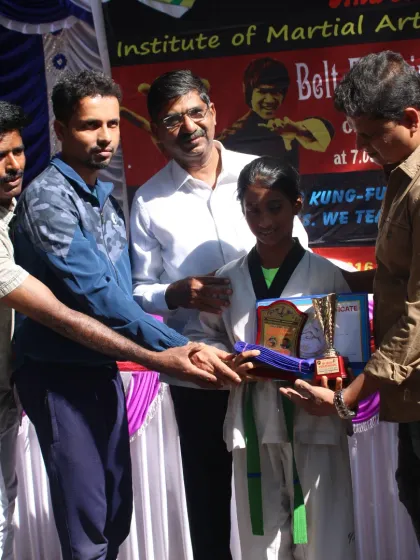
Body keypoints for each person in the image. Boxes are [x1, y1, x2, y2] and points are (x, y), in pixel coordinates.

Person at [10, 73, 242, 560]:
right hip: (58, 374)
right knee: (89, 529)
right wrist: (179, 348)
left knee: (116, 515)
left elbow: (124, 294)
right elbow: (99, 296)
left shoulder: (104, 198)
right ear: (60, 130)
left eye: (112, 124)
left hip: (103, 366)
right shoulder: (48, 199)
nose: (105, 137)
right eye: (89, 125)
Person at [129, 68, 309, 560]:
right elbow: (138, 291)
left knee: (288, 493)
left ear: (213, 112)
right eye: (172, 120)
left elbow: (303, 257)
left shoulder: (260, 173)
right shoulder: (148, 200)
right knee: (208, 503)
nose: (188, 127)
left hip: (273, 366)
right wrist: (176, 293)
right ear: (156, 131)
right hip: (201, 372)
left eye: (195, 112)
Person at [280, 50, 420, 544]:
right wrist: (319, 286)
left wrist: (348, 398)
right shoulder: (400, 175)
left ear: (412, 119)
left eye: (371, 135)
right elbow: (396, 279)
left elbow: (418, 313)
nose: (361, 148)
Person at [185, 156, 355, 560]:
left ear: (297, 205)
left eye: (274, 207)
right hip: (252, 420)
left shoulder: (326, 276)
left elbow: (347, 352)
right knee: (261, 542)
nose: (263, 221)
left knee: (324, 540)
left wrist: (324, 374)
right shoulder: (227, 278)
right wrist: (225, 363)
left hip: (313, 421)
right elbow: (205, 338)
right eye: (252, 210)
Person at [218, 57, 333, 166]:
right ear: (249, 92)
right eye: (262, 92)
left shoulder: (288, 128)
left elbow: (326, 135)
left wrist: (296, 130)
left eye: (275, 92)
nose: (269, 100)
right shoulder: (230, 137)